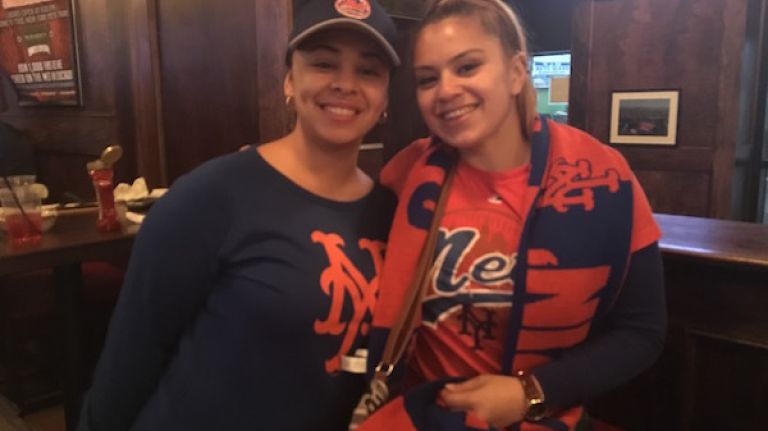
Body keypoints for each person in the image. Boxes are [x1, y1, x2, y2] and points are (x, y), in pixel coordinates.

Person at [77, 1, 400, 430]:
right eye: (323, 63)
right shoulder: (212, 195)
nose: (345, 84)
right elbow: (129, 360)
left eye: (368, 71)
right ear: (289, 81)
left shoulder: (392, 212)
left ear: (385, 98)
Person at [359, 0, 666, 430]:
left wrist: (531, 392)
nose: (445, 90)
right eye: (428, 79)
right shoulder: (404, 177)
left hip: (548, 417)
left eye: (467, 68)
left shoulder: (604, 179)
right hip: (424, 415)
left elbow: (641, 330)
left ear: (517, 71)